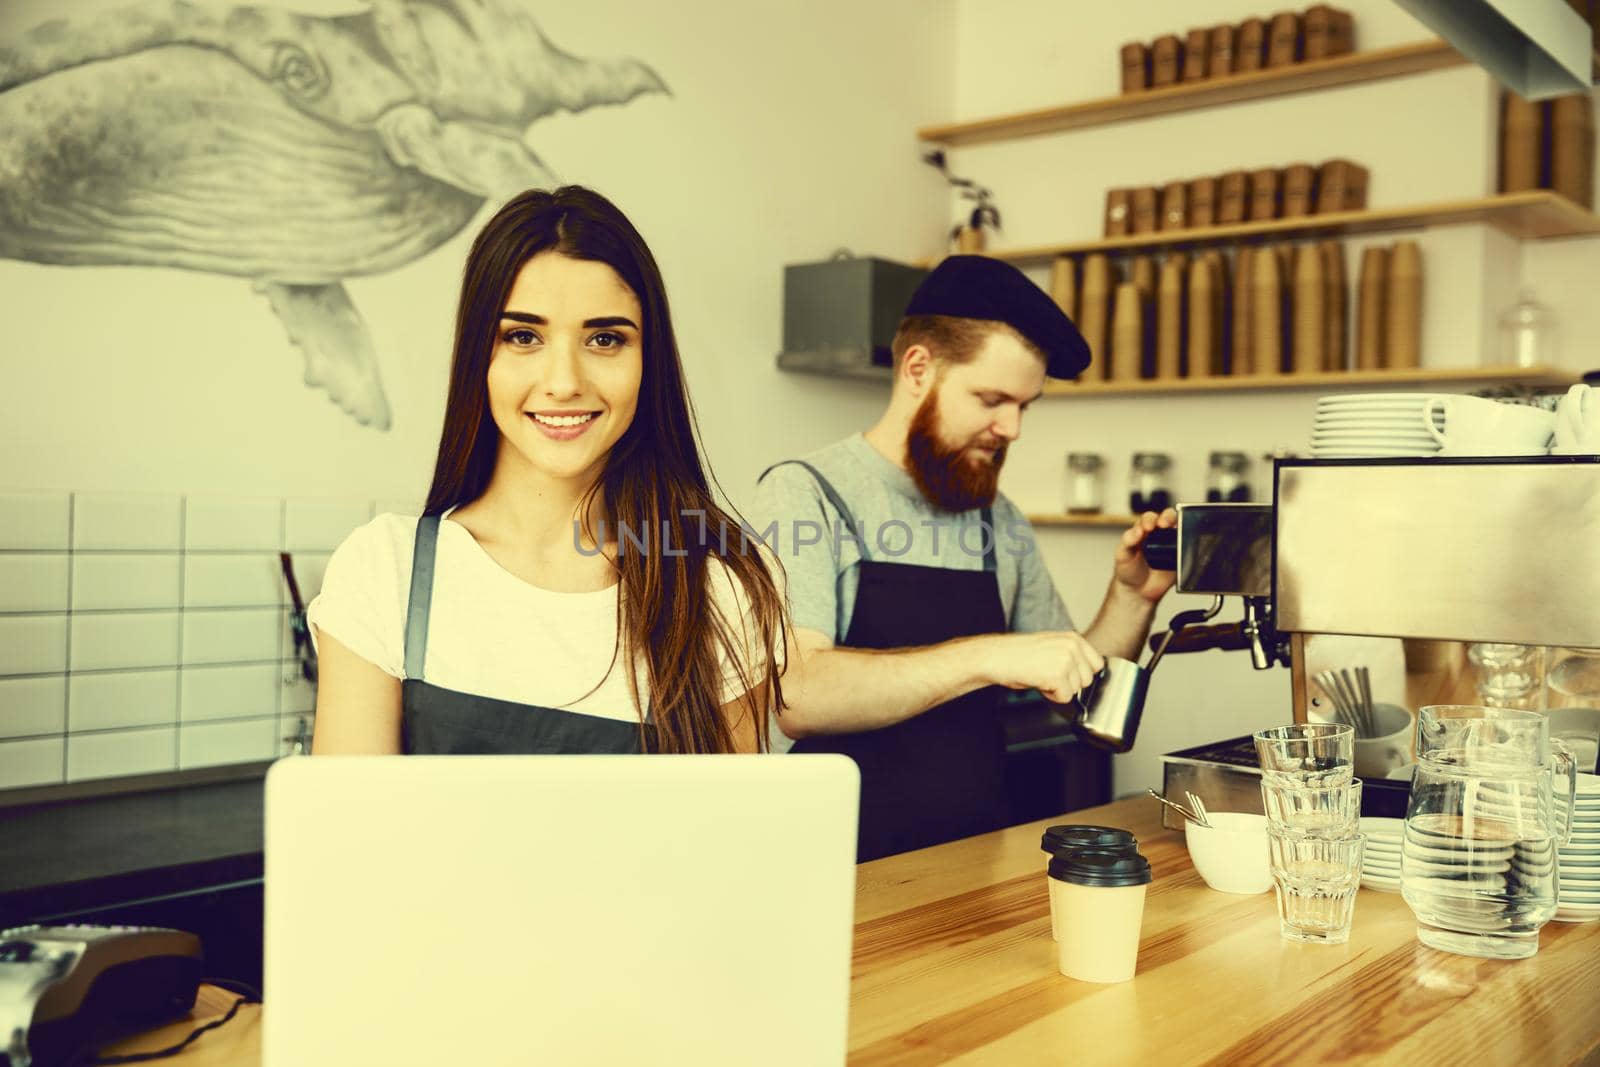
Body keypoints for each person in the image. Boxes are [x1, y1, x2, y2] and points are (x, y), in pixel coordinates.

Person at [307, 187, 787, 756]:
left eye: (604, 339)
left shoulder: (719, 586)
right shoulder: (387, 571)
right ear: (478, 358)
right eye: (523, 337)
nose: (564, 382)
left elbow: (733, 838)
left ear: (647, 363)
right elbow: (352, 836)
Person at [754, 255, 1177, 861]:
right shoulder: (806, 493)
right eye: (992, 398)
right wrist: (988, 654)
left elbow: (1079, 701)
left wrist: (1133, 596)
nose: (1012, 427)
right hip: (836, 866)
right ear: (918, 368)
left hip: (972, 863)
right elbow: (798, 693)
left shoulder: (996, 518)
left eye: (1024, 406)